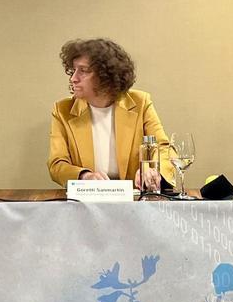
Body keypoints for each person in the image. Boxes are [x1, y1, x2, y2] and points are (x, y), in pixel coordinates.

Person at [48, 38, 175, 189]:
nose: (73, 78)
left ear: (105, 76)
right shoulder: (62, 110)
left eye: (83, 71)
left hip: (134, 199)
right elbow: (57, 164)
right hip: (88, 200)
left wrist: (152, 171)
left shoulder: (141, 103)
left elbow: (163, 148)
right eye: (73, 70)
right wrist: (84, 176)